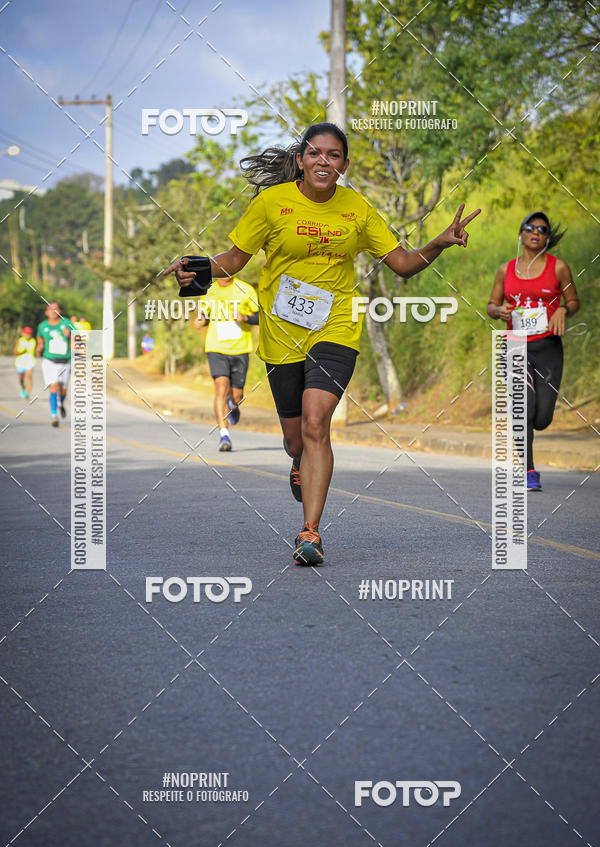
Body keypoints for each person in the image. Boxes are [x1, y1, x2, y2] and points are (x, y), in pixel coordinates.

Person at [166, 122, 480, 564]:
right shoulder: (272, 203)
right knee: (296, 439)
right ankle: (298, 463)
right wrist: (195, 269)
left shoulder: (357, 208)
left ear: (344, 165)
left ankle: (310, 532)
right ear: (301, 160)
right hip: (280, 333)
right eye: (315, 153)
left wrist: (439, 243)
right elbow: (235, 261)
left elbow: (403, 264)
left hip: (335, 328)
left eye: (333, 156)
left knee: (317, 424)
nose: (323, 162)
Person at [487, 211, 580, 491]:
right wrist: (498, 311)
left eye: (542, 229)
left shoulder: (559, 268)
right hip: (514, 347)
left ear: (547, 238)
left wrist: (563, 309)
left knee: (542, 418)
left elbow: (573, 300)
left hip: (548, 347)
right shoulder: (506, 270)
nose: (535, 232)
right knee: (523, 407)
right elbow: (491, 305)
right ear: (521, 234)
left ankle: (536, 428)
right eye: (530, 227)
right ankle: (529, 470)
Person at [191, 275, 259, 451]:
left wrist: (245, 317)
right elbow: (205, 316)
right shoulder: (209, 291)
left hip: (240, 349)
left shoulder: (246, 289)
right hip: (216, 347)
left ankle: (233, 404)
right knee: (220, 387)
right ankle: (224, 435)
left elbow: (260, 317)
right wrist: (200, 321)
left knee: (237, 395)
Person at [36, 302, 75, 427]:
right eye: (50, 309)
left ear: (60, 311)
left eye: (56, 309)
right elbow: (39, 337)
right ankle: (54, 415)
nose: (53, 311)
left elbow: (79, 337)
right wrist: (40, 346)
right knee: (54, 386)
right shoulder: (43, 326)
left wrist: (70, 336)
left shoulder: (67, 323)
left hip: (65, 361)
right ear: (46, 312)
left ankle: (60, 403)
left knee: (63, 390)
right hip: (49, 361)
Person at [13, 326, 36, 398]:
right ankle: (23, 388)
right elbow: (15, 352)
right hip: (20, 363)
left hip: (30, 362)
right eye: (26, 333)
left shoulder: (33, 341)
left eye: (29, 333)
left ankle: (27, 392)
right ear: (22, 333)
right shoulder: (20, 340)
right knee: (21, 379)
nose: (27, 335)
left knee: (29, 377)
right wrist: (21, 352)